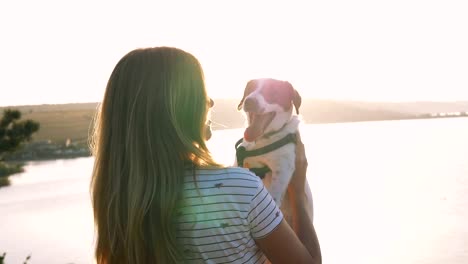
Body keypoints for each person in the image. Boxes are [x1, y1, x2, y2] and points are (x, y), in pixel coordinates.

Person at [90, 47, 321, 264]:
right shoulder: (241, 188)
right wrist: (298, 194)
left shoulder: (116, 199)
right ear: (176, 109)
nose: (209, 101)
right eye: (199, 92)